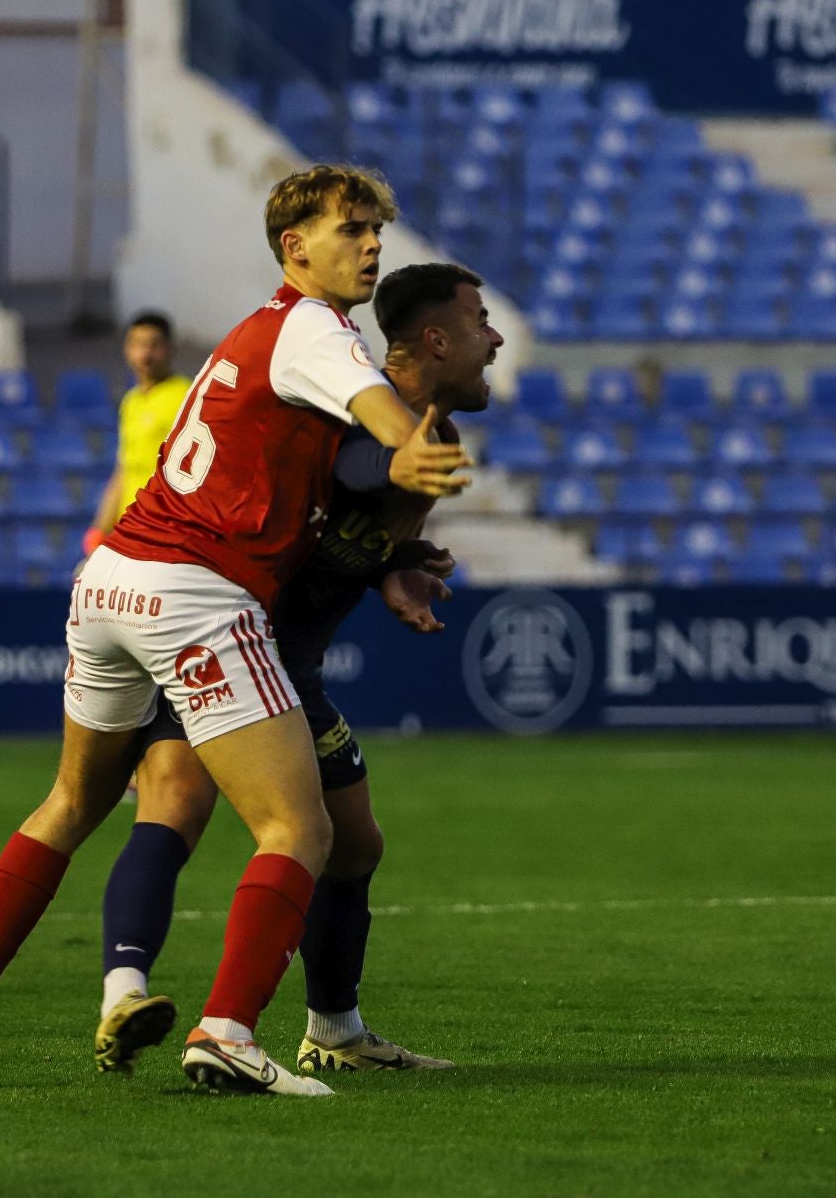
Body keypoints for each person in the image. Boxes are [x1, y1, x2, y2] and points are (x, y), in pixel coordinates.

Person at [0, 165, 473, 1097]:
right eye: (352, 229)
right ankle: (227, 1032)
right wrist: (410, 443)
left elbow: (296, 466)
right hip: (193, 592)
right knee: (298, 826)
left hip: (111, 581)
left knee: (69, 806)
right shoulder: (313, 329)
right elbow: (375, 418)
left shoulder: (249, 337)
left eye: (378, 231)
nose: (372, 245)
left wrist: (389, 553)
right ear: (295, 247)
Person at [92, 262, 501, 1080]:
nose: (493, 339)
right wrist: (392, 474)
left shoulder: (438, 442)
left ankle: (335, 1029)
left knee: (354, 846)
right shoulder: (354, 405)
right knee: (176, 805)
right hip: (218, 635)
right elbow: (348, 469)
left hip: (292, 664)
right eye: (480, 321)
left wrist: (397, 566)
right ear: (435, 338)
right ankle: (136, 1000)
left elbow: (353, 531)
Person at [84, 311, 189, 558]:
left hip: (167, 533)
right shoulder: (130, 402)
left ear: (170, 348)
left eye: (154, 345)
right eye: (138, 345)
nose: (146, 354)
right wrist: (99, 530)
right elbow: (124, 470)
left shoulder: (187, 397)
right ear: (127, 349)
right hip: (130, 531)